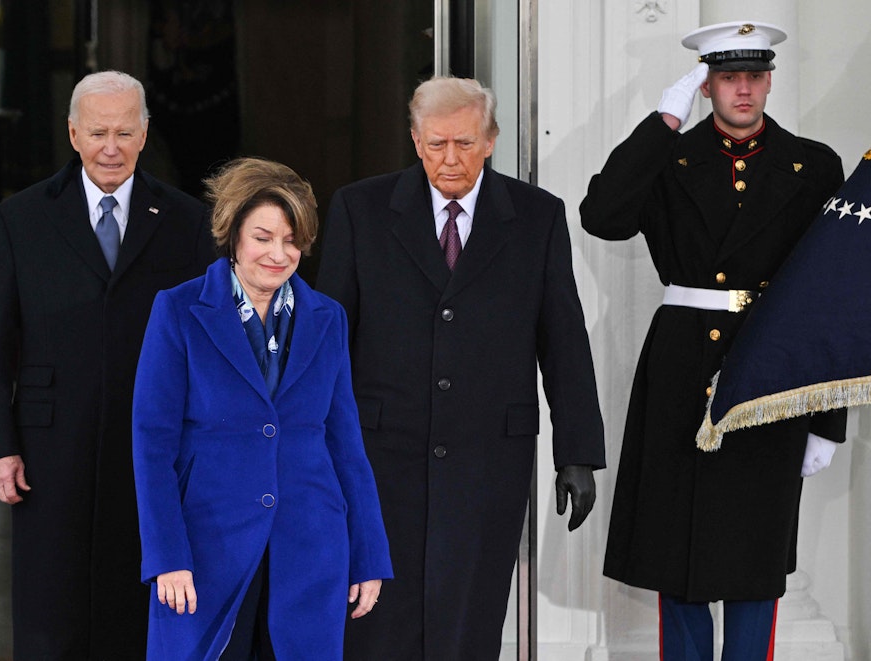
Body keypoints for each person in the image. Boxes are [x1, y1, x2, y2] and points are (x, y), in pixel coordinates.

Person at [579, 21, 848, 659]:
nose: (745, 89)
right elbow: (602, 216)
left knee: (757, 553)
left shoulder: (813, 166)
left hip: (771, 370)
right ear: (706, 85)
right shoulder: (668, 160)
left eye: (755, 75)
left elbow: (831, 295)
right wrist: (661, 125)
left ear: (770, 79)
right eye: (729, 77)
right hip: (682, 368)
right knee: (682, 552)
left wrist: (826, 419)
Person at [316, 76, 606, 660]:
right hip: (380, 453)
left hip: (487, 457)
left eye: (466, 144)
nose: (451, 159)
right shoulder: (360, 209)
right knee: (377, 617)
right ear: (416, 141)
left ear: (492, 140)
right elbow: (329, 340)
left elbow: (564, 339)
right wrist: (315, 448)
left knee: (469, 620)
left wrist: (576, 452)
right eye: (437, 144)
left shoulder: (536, 217)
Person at [0, 70, 215, 659]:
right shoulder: (20, 218)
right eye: (99, 132)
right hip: (49, 442)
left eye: (125, 132)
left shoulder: (186, 219)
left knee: (135, 593)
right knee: (49, 602)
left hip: (151, 440)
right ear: (73, 134)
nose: (112, 146)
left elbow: (206, 339)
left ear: (145, 134)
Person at [132, 157, 393, 660]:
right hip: (208, 546)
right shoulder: (179, 311)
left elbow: (346, 445)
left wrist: (369, 554)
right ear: (233, 236)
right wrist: (167, 556)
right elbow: (151, 444)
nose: (279, 253)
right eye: (263, 237)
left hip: (311, 546)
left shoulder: (327, 318)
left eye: (292, 240)